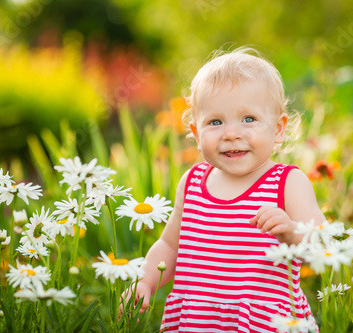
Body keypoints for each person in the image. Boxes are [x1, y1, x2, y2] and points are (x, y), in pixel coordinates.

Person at [121, 47, 326, 332]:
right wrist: (144, 281)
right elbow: (170, 245)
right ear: (196, 133)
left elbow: (323, 244)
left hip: (265, 322)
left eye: (249, 119)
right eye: (215, 122)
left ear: (278, 129)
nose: (231, 133)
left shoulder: (287, 182)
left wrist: (291, 232)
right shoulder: (192, 182)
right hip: (200, 321)